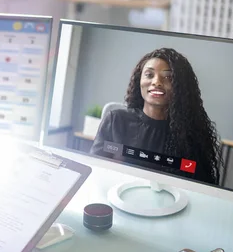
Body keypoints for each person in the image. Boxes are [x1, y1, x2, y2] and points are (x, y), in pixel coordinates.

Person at [91, 47, 222, 185]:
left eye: (168, 77)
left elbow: (200, 188)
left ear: (180, 87)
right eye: (149, 75)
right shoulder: (116, 120)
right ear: (139, 81)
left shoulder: (192, 134)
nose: (157, 82)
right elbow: (96, 172)